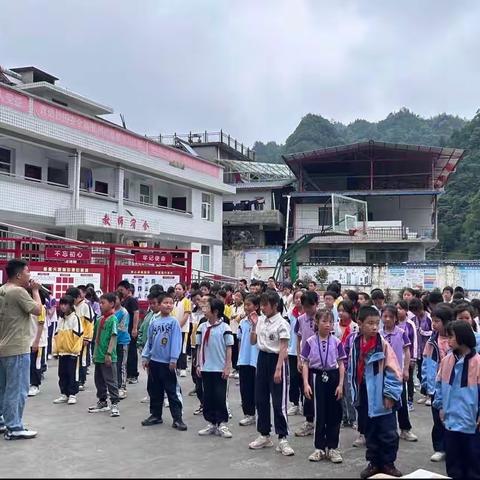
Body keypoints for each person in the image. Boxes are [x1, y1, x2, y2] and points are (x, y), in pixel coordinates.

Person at [349, 306, 403, 479]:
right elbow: (351, 370)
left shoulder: (383, 346)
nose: (374, 327)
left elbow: (394, 371)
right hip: (364, 394)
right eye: (370, 323)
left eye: (376, 323)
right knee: (370, 432)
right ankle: (374, 463)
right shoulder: (355, 344)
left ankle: (388, 463)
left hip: (381, 395)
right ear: (360, 323)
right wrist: (352, 392)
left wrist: (390, 394)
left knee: (387, 432)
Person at [0, 259, 42, 440]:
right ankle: (15, 426)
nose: (29, 275)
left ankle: (3, 421)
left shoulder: (2, 290)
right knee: (17, 389)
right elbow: (38, 309)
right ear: (18, 274)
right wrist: (35, 291)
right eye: (27, 272)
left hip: (4, 346)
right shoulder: (18, 291)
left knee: (3, 388)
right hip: (17, 347)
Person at [433, 320, 480, 479]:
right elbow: (438, 385)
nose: (448, 340)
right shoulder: (447, 360)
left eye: (451, 336)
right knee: (453, 465)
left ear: (463, 337)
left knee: (473, 464)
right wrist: (439, 406)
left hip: (472, 425)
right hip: (450, 422)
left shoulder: (478, 363)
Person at [248, 291, 293, 456]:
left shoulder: (282, 323)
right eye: (262, 304)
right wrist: (253, 326)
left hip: (277, 360)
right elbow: (253, 342)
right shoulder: (260, 321)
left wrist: (279, 368)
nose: (263, 308)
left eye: (266, 305)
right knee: (261, 399)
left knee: (278, 402)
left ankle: (283, 438)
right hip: (262, 359)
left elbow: (283, 347)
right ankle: (264, 434)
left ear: (275, 305)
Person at [302, 309, 345, 463]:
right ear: (317, 323)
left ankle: (333, 448)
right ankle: (319, 448)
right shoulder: (310, 342)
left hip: (333, 377)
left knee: (334, 414)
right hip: (317, 377)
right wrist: (306, 383)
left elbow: (341, 364)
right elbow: (305, 363)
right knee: (319, 414)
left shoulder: (337, 342)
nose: (327, 325)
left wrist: (340, 384)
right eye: (324, 321)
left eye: (330, 322)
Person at [141, 293, 187, 431]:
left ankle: (177, 418)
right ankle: (155, 415)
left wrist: (174, 359)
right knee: (154, 390)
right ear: (159, 304)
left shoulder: (173, 322)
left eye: (171, 303)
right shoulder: (154, 322)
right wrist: (145, 356)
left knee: (172, 391)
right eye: (165, 302)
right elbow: (150, 340)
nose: (168, 305)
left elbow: (176, 342)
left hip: (167, 363)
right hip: (154, 361)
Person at [196, 297, 233, 438]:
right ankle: (211, 422)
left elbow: (229, 348)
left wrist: (227, 367)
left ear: (216, 311)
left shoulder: (225, 328)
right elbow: (199, 347)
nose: (204, 310)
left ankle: (222, 423)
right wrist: (198, 364)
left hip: (220, 368)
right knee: (208, 396)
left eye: (207, 307)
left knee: (220, 396)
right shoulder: (202, 327)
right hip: (206, 368)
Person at [380, 305, 417, 442]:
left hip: (398, 373)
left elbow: (407, 352)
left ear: (396, 318)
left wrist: (406, 369)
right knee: (384, 401)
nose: (388, 319)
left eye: (391, 316)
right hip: (383, 373)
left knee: (401, 401)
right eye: (385, 316)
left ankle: (405, 429)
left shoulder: (401, 333)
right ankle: (386, 429)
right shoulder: (379, 334)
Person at [421, 303, 453, 463]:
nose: (433, 324)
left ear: (447, 322)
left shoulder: (454, 340)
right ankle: (440, 448)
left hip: (451, 386)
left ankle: (452, 447)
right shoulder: (432, 341)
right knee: (437, 418)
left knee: (451, 418)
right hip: (436, 386)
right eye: (432, 321)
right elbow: (426, 363)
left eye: (437, 321)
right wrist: (426, 383)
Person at [88, 293, 120, 417]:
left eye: (103, 303)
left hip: (108, 356)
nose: (101, 305)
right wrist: (95, 354)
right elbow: (96, 337)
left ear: (111, 304)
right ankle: (102, 402)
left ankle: (115, 403)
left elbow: (113, 336)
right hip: (99, 356)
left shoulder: (113, 319)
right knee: (99, 380)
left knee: (111, 380)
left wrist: (109, 353)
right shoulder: (100, 319)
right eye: (100, 303)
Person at [295, 290, 319, 437]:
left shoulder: (323, 318)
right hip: (306, 361)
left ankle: (322, 421)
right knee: (307, 391)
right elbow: (298, 339)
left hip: (321, 362)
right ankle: (309, 421)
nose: (308, 310)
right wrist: (299, 358)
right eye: (305, 307)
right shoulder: (301, 319)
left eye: (310, 306)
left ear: (316, 304)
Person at [53, 295, 83, 405]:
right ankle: (64, 393)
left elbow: (79, 336)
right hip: (62, 352)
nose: (62, 306)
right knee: (62, 373)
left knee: (72, 373)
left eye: (65, 304)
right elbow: (56, 335)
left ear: (70, 305)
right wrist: (56, 350)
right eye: (61, 304)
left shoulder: (75, 318)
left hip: (72, 353)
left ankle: (72, 394)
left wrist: (75, 351)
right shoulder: (61, 319)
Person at [334, 299, 359, 428]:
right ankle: (343, 416)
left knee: (350, 391)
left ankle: (353, 418)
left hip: (350, 364)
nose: (341, 313)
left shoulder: (355, 327)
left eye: (344, 311)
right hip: (336, 363)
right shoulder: (334, 326)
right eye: (339, 311)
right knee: (339, 391)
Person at [237, 294, 260, 426]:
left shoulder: (261, 321)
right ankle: (248, 414)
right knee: (245, 388)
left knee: (257, 389)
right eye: (245, 305)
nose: (246, 307)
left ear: (256, 307)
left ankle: (259, 412)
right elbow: (240, 340)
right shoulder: (242, 322)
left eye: (249, 305)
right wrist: (240, 356)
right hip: (244, 359)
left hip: (256, 360)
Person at [66, 286, 94, 392]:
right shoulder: (72, 306)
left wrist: (87, 338)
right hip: (72, 338)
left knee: (82, 360)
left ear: (78, 297)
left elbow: (90, 323)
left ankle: (81, 380)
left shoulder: (85, 306)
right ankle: (74, 380)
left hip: (83, 338)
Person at [395, 300, 418, 411]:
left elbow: (414, 341)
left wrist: (414, 357)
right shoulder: (394, 323)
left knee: (408, 378)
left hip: (408, 356)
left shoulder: (410, 324)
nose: (398, 310)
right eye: (397, 308)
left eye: (401, 308)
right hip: (396, 357)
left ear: (406, 310)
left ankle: (409, 400)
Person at [409, 297, 432, 405]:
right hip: (418, 350)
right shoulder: (413, 319)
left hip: (428, 350)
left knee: (429, 373)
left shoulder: (429, 317)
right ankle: (424, 393)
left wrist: (423, 332)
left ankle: (430, 395)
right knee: (420, 373)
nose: (416, 313)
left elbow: (433, 332)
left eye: (417, 311)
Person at [117, 281, 140, 385]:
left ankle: (133, 375)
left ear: (128, 290)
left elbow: (136, 313)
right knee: (126, 353)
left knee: (131, 352)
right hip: (124, 330)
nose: (120, 292)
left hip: (130, 330)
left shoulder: (131, 300)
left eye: (122, 290)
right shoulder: (123, 301)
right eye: (119, 290)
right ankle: (127, 374)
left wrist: (135, 328)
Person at [287, 289, 304, 416]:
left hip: (305, 352)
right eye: (296, 297)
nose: (298, 300)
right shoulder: (290, 314)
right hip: (292, 350)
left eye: (300, 297)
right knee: (293, 378)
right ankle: (294, 403)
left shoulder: (309, 315)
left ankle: (305, 403)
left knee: (304, 379)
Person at [28, 291, 48, 397]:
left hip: (38, 342)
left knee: (36, 365)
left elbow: (40, 325)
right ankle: (30, 383)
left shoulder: (41, 309)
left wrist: (36, 342)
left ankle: (35, 385)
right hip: (29, 340)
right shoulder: (30, 308)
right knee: (30, 365)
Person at [114, 293, 130, 400]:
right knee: (114, 366)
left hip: (122, 342)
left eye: (115, 299)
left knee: (122, 365)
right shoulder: (110, 312)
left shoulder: (124, 312)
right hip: (113, 343)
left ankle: (123, 388)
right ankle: (115, 386)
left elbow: (122, 327)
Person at [173, 283, 191, 377]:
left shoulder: (186, 301)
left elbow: (186, 315)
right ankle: (176, 367)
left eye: (179, 289)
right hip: (174, 329)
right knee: (175, 348)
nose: (177, 290)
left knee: (182, 349)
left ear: (184, 290)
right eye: (176, 288)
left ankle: (183, 367)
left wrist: (179, 325)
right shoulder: (173, 301)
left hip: (183, 329)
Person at [230, 290, 246, 379]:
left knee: (238, 350)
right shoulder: (231, 306)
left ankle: (239, 368)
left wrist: (236, 316)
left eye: (239, 296)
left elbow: (240, 317)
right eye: (235, 295)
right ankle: (235, 368)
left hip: (238, 331)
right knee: (233, 351)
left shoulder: (244, 307)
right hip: (232, 330)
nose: (236, 297)